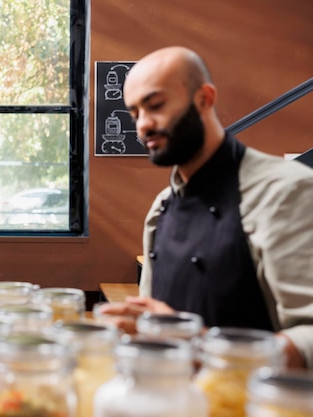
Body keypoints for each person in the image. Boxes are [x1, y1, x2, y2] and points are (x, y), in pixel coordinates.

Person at [97, 46, 313, 369]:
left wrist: (202, 346)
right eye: (134, 113)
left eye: (155, 105)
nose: (142, 125)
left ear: (204, 98)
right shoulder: (161, 209)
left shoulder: (286, 191)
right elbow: (154, 324)